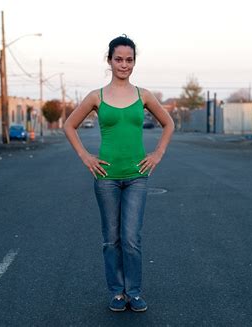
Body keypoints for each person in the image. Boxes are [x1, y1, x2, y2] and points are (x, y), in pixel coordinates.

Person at [64, 35, 174, 312]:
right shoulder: (96, 97)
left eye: (129, 60)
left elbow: (168, 123)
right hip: (106, 179)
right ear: (109, 60)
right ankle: (116, 292)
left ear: (134, 62)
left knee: (131, 238)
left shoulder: (143, 95)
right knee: (111, 239)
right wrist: (86, 158)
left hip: (137, 176)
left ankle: (134, 291)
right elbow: (69, 126)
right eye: (119, 59)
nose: (124, 65)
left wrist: (157, 154)